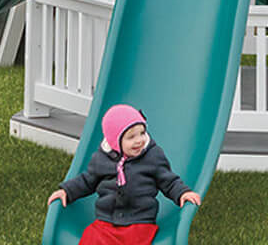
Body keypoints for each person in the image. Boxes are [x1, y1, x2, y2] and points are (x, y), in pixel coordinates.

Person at [47, 104, 201, 245]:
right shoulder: (101, 158)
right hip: (107, 221)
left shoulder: (152, 155)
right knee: (91, 238)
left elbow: (168, 180)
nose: (139, 140)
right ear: (115, 141)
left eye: (142, 133)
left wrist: (182, 193)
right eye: (131, 137)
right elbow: (87, 180)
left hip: (139, 221)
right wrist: (66, 191)